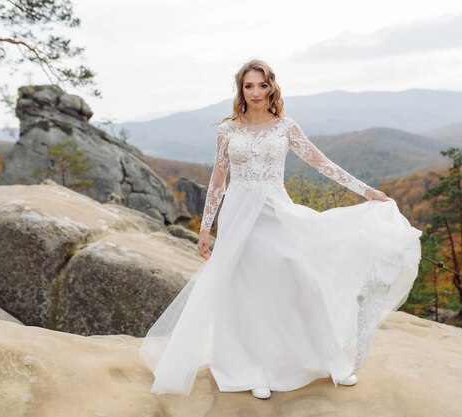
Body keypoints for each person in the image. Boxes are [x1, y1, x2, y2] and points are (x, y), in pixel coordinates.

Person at [139, 59, 422, 400]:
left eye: (261, 85)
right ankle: (252, 368)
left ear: (271, 86)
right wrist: (205, 226)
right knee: (248, 291)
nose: (256, 92)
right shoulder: (228, 130)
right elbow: (218, 180)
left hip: (276, 210)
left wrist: (366, 191)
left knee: (300, 278)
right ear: (240, 90)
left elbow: (322, 163)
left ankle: (327, 360)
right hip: (239, 215)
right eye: (248, 86)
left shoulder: (285, 127)